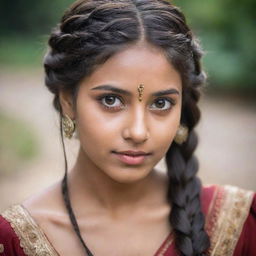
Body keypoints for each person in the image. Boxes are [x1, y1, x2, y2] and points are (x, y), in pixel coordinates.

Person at [0, 0, 255, 255]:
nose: (138, 132)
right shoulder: (12, 242)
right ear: (68, 100)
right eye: (111, 100)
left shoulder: (242, 225)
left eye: (162, 103)